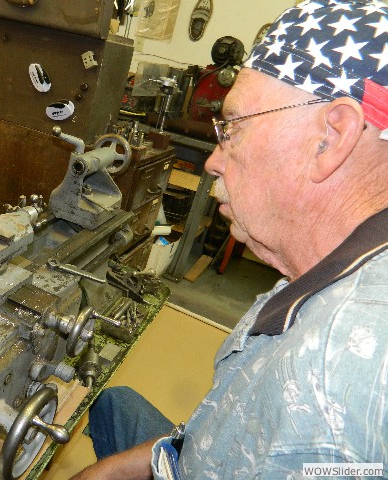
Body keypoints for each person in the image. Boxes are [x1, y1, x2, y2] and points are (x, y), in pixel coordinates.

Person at [71, 0, 388, 478]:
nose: (213, 160)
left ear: (332, 137)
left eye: (233, 128)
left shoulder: (333, 377)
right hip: (198, 453)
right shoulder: (329, 267)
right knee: (113, 403)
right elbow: (223, 433)